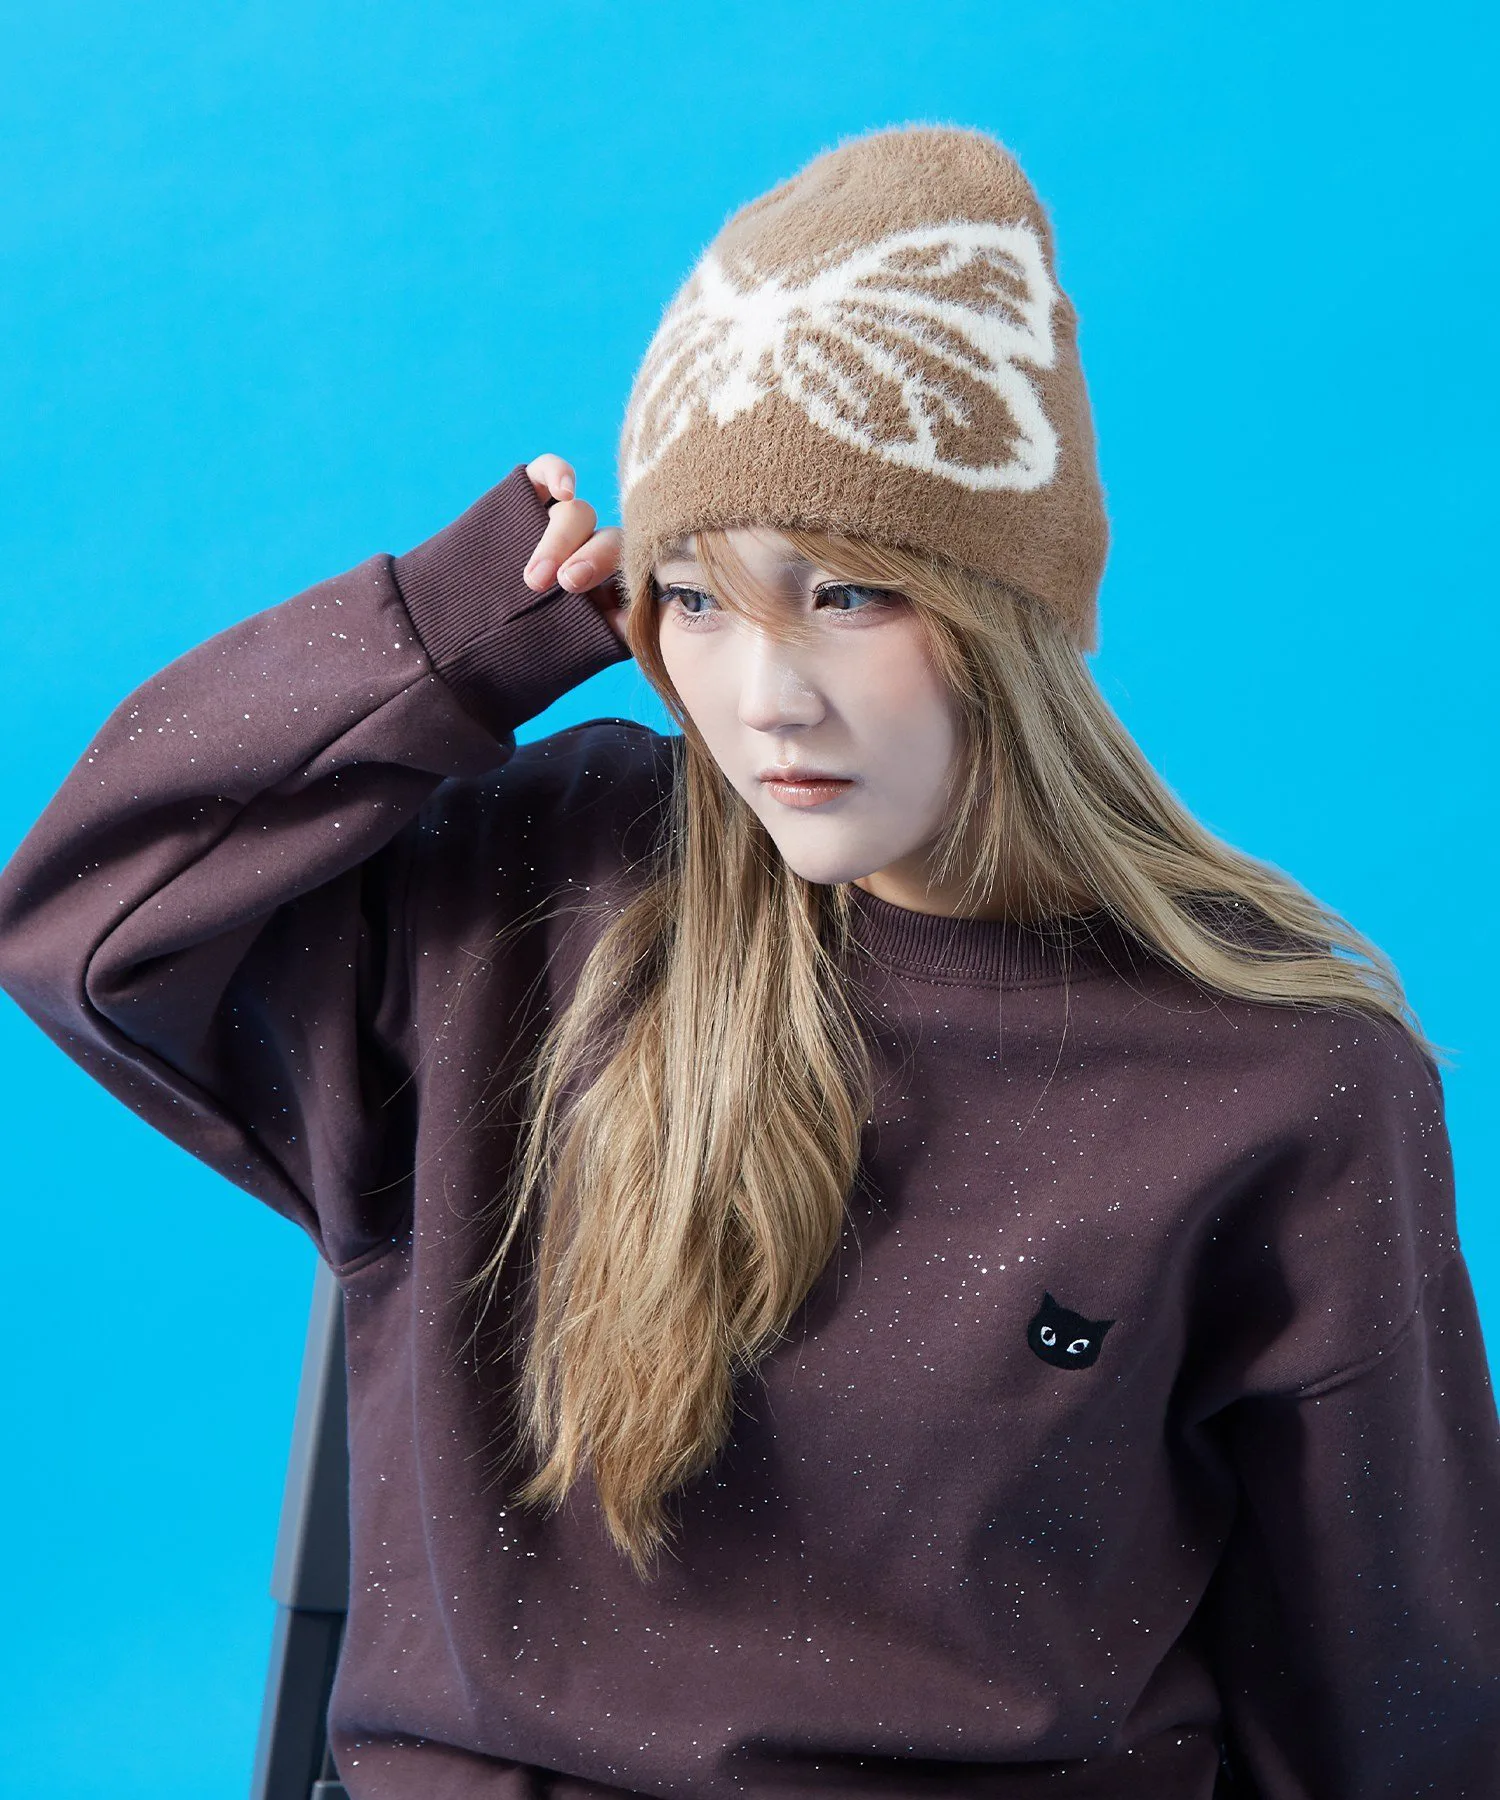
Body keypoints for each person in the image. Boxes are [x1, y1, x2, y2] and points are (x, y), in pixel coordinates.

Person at [0, 123, 1495, 1800]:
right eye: (697, 602)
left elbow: (1391, 1704)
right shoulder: (534, 898)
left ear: (1015, 611)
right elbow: (91, 914)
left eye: (847, 596)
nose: (766, 700)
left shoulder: (1280, 1079)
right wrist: (456, 632)